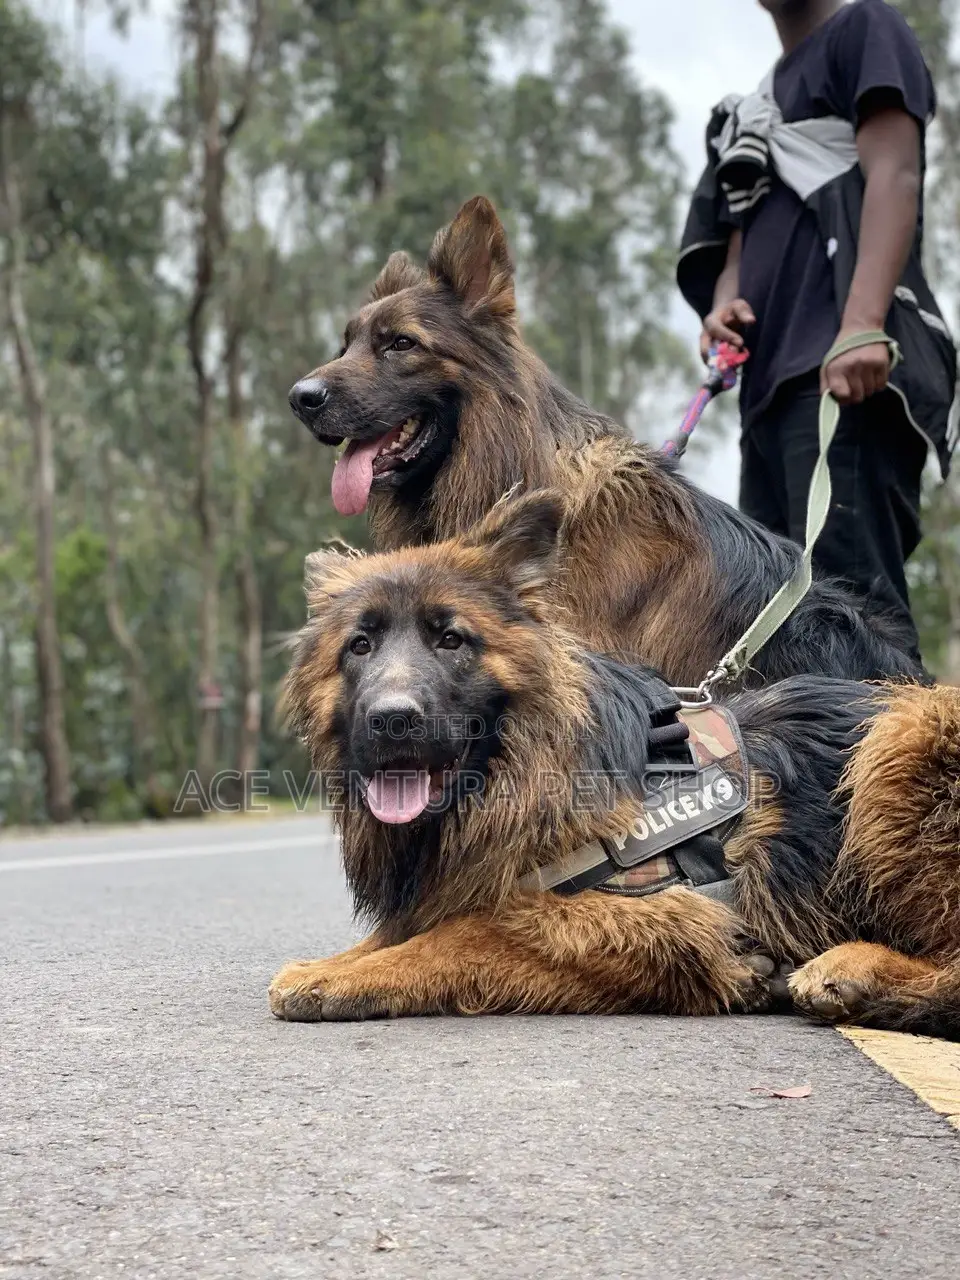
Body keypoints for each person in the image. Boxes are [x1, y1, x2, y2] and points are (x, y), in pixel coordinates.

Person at [677, 0, 958, 663]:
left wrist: (862, 325)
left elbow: (895, 171)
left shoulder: (865, 30)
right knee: (775, 623)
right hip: (769, 394)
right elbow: (740, 234)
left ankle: (910, 737)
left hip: (844, 378)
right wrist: (724, 303)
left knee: (857, 613)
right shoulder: (750, 111)